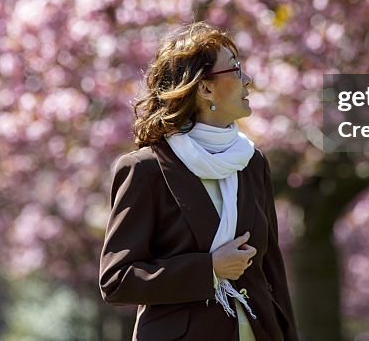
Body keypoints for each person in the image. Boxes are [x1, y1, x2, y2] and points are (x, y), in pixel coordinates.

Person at [99, 22, 300, 340]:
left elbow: (271, 269)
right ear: (205, 88)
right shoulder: (146, 169)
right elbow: (117, 280)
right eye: (235, 70)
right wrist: (208, 270)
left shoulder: (252, 163)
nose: (247, 79)